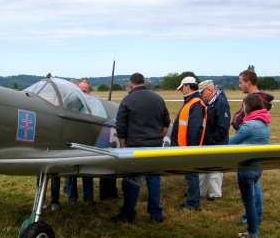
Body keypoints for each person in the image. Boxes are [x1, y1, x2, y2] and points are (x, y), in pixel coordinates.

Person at [110, 73, 170, 224]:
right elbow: (166, 123)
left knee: (131, 180)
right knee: (154, 179)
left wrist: (123, 145)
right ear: (143, 82)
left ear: (131, 85)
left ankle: (128, 213)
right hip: (155, 146)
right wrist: (159, 138)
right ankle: (156, 214)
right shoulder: (158, 98)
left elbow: (121, 126)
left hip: (135, 147)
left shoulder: (127, 100)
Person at [232, 70, 274, 226]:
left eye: (241, 82)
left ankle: (255, 215)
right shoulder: (253, 99)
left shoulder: (256, 100)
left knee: (253, 185)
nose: (240, 85)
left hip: (250, 150)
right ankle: (252, 212)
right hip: (248, 141)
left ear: (248, 82)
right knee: (254, 183)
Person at [229, 93, 271, 238]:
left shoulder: (249, 125)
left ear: (248, 107)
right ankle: (253, 231)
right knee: (251, 200)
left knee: (248, 202)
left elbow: (231, 142)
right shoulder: (265, 123)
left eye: (243, 106)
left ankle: (252, 234)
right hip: (258, 167)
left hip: (247, 167)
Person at [170, 76, 207, 211]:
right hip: (185, 146)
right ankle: (193, 201)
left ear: (187, 86)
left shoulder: (195, 103)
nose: (181, 91)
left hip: (188, 148)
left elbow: (195, 129)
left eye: (182, 88)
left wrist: (190, 149)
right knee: (191, 176)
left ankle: (193, 204)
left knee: (192, 176)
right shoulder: (192, 102)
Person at [197, 80, 230, 201]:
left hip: (216, 143)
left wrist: (213, 139)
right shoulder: (211, 102)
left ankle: (215, 194)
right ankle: (200, 191)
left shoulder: (220, 102)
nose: (201, 95)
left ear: (209, 90)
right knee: (203, 168)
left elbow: (223, 126)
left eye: (202, 92)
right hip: (209, 141)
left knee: (215, 169)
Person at [66, 79, 96, 204]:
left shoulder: (94, 104)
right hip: (72, 138)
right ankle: (72, 197)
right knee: (70, 167)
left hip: (88, 139)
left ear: (89, 91)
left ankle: (88, 196)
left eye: (85, 91)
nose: (83, 93)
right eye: (80, 91)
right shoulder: (70, 103)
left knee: (88, 169)